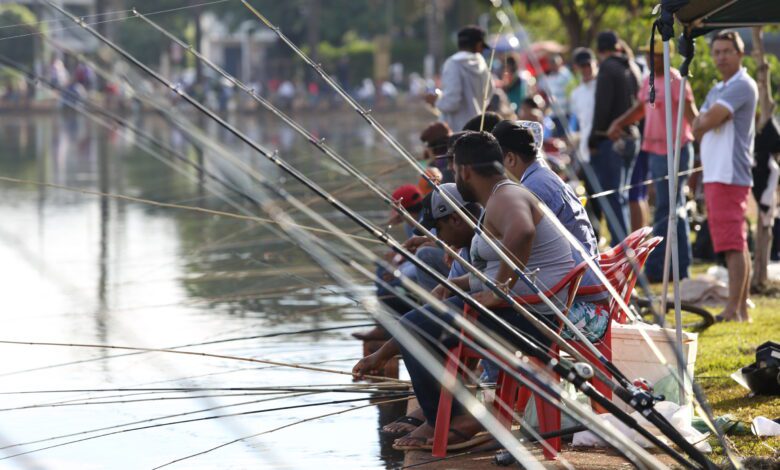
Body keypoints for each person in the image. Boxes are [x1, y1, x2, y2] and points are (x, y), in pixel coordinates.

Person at [355, 132, 573, 450]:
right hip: (526, 308)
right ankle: (451, 413)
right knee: (421, 319)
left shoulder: (506, 197)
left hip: (536, 318)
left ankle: (455, 418)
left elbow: (523, 231)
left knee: (417, 327)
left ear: (466, 170)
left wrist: (500, 290)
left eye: (455, 171)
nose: (455, 178)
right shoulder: (499, 196)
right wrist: (456, 286)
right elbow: (492, 269)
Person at [366, 183, 483, 437]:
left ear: (455, 219)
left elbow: (494, 287)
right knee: (415, 321)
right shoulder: (465, 247)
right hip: (479, 313)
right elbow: (441, 294)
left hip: (496, 319)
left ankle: (442, 416)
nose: (438, 239)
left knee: (415, 328)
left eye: (438, 231)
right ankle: (442, 408)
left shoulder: (481, 243)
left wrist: (384, 352)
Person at [493, 120, 609, 342]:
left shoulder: (534, 187)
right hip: (579, 286)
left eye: (494, 163)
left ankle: (492, 375)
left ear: (509, 159)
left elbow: (519, 240)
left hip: (576, 299)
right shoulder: (542, 177)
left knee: (488, 311)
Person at [607, 37, 699, 282]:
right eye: (649, 55)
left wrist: (709, 137)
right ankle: (677, 269)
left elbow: (692, 116)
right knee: (672, 208)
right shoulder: (649, 81)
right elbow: (640, 108)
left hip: (676, 150)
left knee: (668, 209)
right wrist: (619, 122)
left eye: (655, 55)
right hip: (655, 152)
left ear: (664, 56)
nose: (650, 59)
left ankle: (659, 268)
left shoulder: (676, 81)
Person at [692, 30, 758, 323]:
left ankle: (734, 309)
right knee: (733, 243)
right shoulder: (719, 88)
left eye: (726, 51)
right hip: (717, 173)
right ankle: (739, 308)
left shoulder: (743, 85)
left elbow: (708, 120)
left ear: (739, 54)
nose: (720, 57)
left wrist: (707, 120)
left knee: (733, 244)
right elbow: (698, 124)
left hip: (730, 173)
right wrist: (706, 120)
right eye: (716, 51)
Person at [353, 185, 449, 341]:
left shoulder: (427, 221)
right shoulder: (408, 224)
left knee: (392, 282)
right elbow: (412, 249)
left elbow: (426, 252)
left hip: (433, 268)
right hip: (419, 264)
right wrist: (397, 259)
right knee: (383, 268)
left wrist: (397, 271)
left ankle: (389, 329)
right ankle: (383, 326)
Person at [588, 31, 641, 245]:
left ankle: (622, 250)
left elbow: (602, 108)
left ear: (599, 50)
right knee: (622, 197)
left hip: (613, 139)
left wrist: (594, 138)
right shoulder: (631, 66)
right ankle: (626, 249)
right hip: (632, 136)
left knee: (612, 199)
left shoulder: (608, 68)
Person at [425, 25, 495, 132]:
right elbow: (489, 93)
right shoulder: (483, 64)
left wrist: (435, 100)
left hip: (456, 134)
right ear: (478, 45)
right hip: (477, 129)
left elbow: (451, 103)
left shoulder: (453, 63)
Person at [569, 48, 598, 165]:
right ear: (576, 68)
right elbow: (576, 122)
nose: (586, 69)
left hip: (601, 145)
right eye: (582, 66)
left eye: (588, 65)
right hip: (585, 148)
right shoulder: (576, 93)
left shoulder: (602, 86)